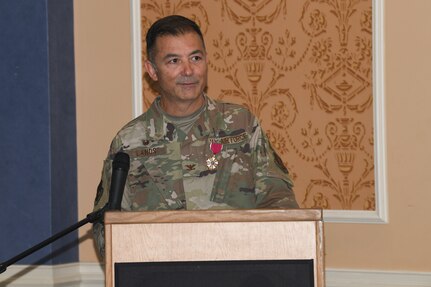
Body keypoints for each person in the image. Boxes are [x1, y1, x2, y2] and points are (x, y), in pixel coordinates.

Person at [92, 15, 298, 257]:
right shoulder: (129, 142)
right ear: (152, 71)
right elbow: (107, 229)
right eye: (173, 61)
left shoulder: (241, 125)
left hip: (239, 270)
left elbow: (280, 203)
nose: (188, 71)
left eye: (195, 58)